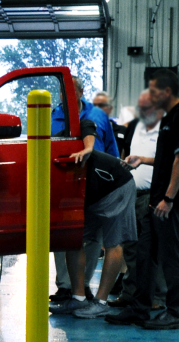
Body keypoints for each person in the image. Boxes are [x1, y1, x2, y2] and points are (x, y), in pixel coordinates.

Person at [106, 69, 179, 330]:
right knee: (145, 255)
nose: (149, 94)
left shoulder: (178, 117)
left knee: (171, 257)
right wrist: (142, 160)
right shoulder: (168, 118)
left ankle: (175, 312)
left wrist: (169, 198)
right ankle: (139, 308)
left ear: (166, 92)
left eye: (154, 90)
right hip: (155, 201)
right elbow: (166, 157)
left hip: (167, 203)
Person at [50, 119, 137, 318]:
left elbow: (87, 124)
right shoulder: (47, 153)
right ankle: (78, 299)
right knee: (73, 241)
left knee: (113, 242)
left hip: (116, 186)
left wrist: (88, 148)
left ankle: (101, 302)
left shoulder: (74, 135)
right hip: (90, 198)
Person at [50, 77, 120, 302]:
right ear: (60, 95)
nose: (67, 96)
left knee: (91, 238)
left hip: (95, 185)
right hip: (64, 186)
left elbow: (111, 149)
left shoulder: (97, 116)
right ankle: (65, 286)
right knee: (64, 236)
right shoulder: (53, 117)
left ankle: (83, 286)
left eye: (72, 91)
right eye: (63, 92)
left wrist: (113, 179)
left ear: (81, 92)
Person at [107, 90, 167, 309]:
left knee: (153, 248)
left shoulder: (166, 128)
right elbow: (126, 151)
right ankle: (130, 293)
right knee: (131, 246)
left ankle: (158, 298)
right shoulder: (134, 127)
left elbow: (166, 159)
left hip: (153, 196)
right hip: (131, 193)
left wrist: (143, 160)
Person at [93, 91, 127, 157]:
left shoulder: (123, 131)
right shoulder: (88, 130)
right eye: (94, 106)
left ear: (110, 108)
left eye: (101, 105)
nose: (96, 109)